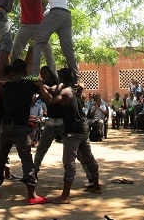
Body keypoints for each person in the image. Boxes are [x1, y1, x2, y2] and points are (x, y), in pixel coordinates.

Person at [36, 68, 101, 204]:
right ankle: (96, 186)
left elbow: (51, 99)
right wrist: (43, 85)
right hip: (83, 129)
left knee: (69, 163)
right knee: (88, 158)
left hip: (74, 131)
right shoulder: (73, 91)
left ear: (61, 79)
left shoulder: (65, 92)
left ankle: (65, 196)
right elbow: (53, 90)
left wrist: (40, 86)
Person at [0, 59, 49, 205]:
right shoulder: (29, 84)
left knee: (0, 158)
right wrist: (36, 81)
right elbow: (45, 90)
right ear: (24, 71)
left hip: (5, 125)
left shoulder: (5, 85)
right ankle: (31, 195)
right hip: (20, 127)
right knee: (26, 160)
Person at [28, 0, 78, 82]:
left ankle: (34, 74)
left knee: (38, 42)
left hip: (56, 13)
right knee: (68, 49)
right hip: (66, 15)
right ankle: (75, 78)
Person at [11, 0, 57, 76]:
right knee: (15, 50)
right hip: (25, 26)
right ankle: (13, 76)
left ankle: (55, 77)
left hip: (39, 26)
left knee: (48, 53)